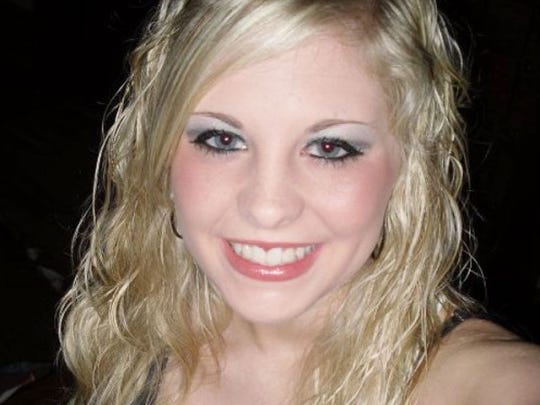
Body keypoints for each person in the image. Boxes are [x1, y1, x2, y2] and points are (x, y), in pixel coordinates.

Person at [58, 0, 540, 404]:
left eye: (329, 148)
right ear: (161, 155)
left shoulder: (485, 382)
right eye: (222, 139)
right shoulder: (136, 323)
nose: (267, 207)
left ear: (406, 168)